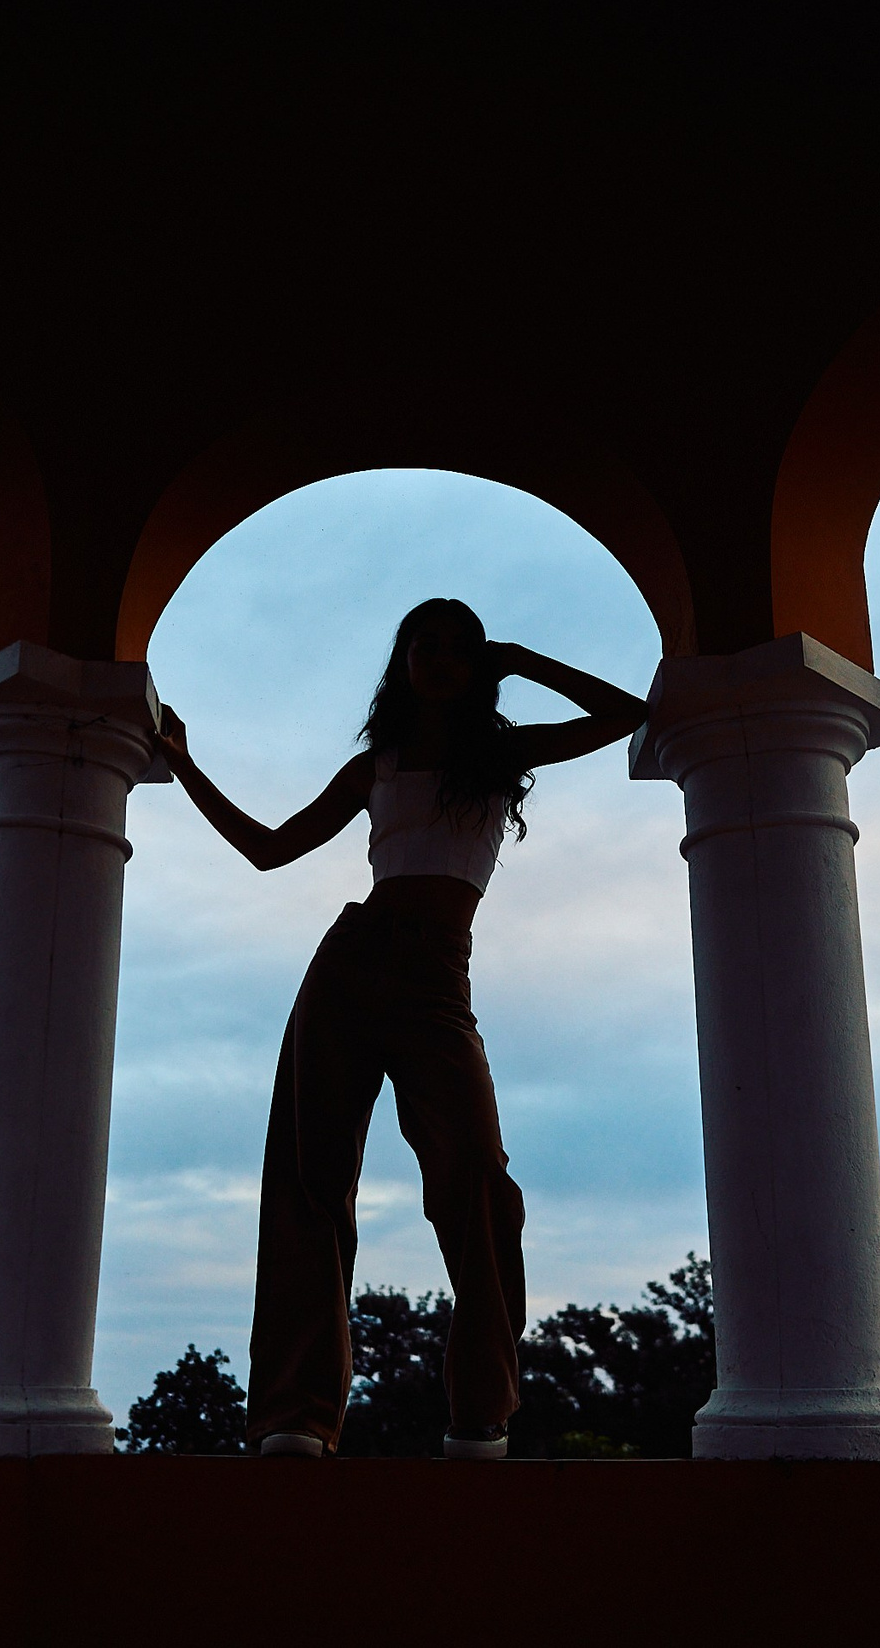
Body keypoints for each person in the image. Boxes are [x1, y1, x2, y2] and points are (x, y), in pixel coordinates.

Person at [154, 597, 648, 1458]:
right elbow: (269, 848)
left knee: (478, 1183)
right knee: (311, 1182)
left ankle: (480, 1417)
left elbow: (629, 715)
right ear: (404, 658)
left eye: (465, 647)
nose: (446, 658)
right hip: (348, 968)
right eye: (430, 643)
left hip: (435, 987)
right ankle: (294, 1419)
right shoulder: (374, 766)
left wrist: (522, 657)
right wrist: (185, 764)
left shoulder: (500, 754)